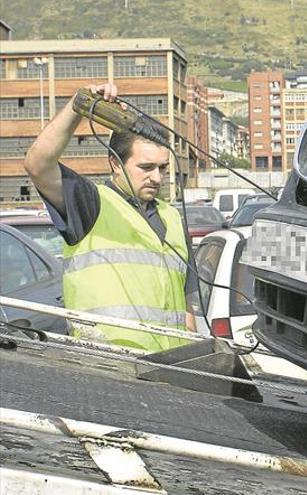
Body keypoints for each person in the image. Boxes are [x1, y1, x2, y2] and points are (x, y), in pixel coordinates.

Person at [23, 82, 197, 352]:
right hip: (109, 366)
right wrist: (78, 106)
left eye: (163, 168)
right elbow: (38, 163)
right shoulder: (90, 204)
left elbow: (185, 308)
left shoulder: (172, 217)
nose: (157, 177)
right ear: (115, 163)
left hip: (169, 368)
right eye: (146, 167)